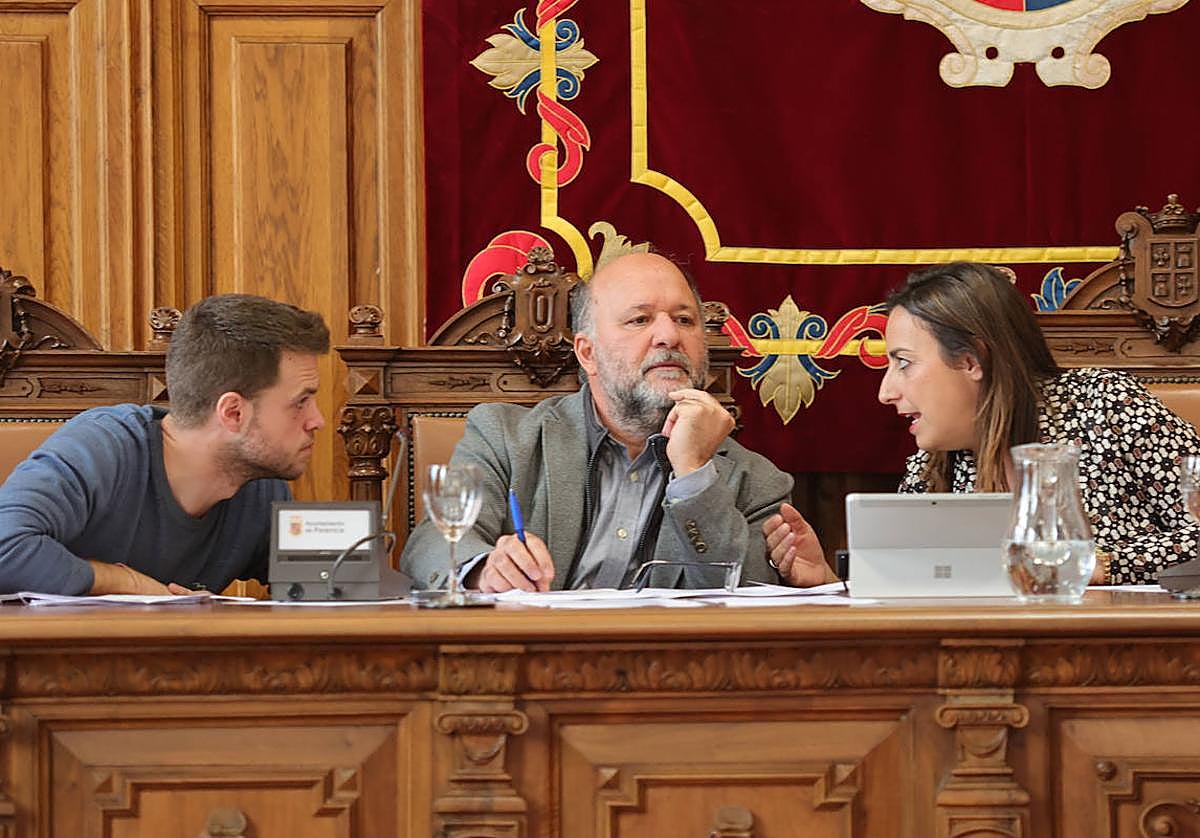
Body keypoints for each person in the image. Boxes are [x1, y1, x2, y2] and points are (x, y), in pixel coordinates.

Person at [764, 261, 1200, 586]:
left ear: (972, 360)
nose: (885, 392)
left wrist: (1101, 565)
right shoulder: (932, 464)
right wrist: (831, 582)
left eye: (903, 363)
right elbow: (921, 590)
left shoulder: (1107, 406)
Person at [401, 250, 794, 592]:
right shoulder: (503, 438)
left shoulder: (755, 481)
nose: (668, 336)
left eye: (685, 320)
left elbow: (746, 597)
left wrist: (694, 475)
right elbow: (433, 542)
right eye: (640, 320)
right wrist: (485, 570)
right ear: (587, 353)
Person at [0, 294, 329, 595]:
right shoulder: (103, 449)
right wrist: (124, 582)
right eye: (301, 402)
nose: (318, 420)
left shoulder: (262, 485)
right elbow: (5, 548)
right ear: (233, 413)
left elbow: (329, 594)